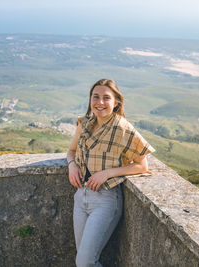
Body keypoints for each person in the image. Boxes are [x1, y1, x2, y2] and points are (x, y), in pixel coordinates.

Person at [66, 79, 155, 267]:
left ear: (116, 102)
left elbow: (142, 165)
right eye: (95, 97)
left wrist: (107, 173)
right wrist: (72, 165)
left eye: (106, 98)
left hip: (106, 200)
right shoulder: (84, 124)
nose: (100, 102)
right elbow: (71, 151)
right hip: (80, 197)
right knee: (82, 260)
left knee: (85, 262)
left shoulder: (123, 128)